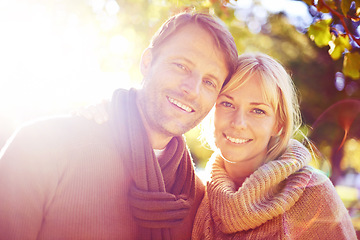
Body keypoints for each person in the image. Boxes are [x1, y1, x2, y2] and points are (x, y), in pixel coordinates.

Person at [0, 11, 238, 240]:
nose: (192, 89)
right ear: (147, 62)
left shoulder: (196, 198)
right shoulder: (40, 148)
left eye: (209, 82)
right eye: (181, 66)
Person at [191, 53, 357, 239]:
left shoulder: (314, 194)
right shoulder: (197, 195)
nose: (238, 123)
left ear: (279, 124)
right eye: (227, 104)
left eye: (257, 110)